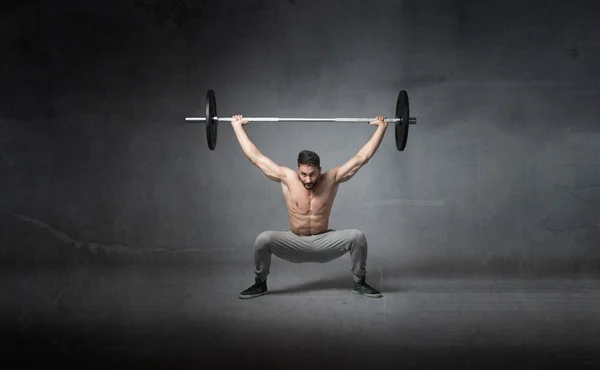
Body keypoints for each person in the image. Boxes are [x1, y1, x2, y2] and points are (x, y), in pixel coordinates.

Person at [231, 114, 388, 299]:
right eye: (304, 174)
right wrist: (237, 126)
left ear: (320, 170)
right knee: (263, 240)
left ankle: (359, 283)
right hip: (294, 242)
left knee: (357, 237)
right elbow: (255, 157)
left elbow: (362, 157)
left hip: (324, 242)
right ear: (298, 170)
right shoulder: (287, 178)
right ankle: (260, 284)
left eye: (312, 174)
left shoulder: (332, 178)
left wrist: (382, 127)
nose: (308, 179)